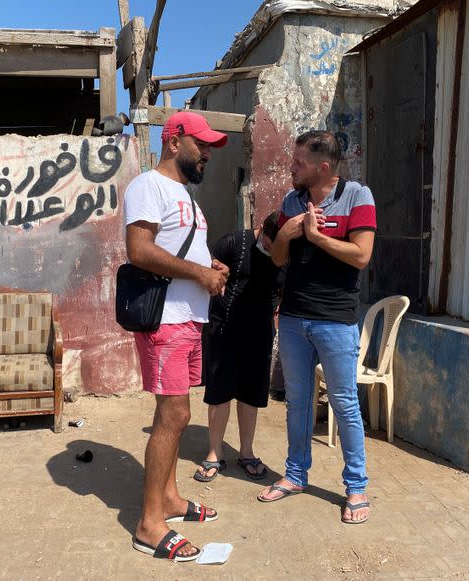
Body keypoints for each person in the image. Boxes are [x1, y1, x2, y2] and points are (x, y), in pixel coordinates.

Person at [123, 111, 230, 562]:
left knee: (178, 415)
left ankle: (169, 499)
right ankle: (150, 524)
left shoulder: (182, 194)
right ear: (174, 142)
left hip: (188, 317)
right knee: (173, 415)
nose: (207, 153)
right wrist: (199, 273)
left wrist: (212, 270)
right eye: (201, 145)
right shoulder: (148, 185)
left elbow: (182, 251)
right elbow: (140, 250)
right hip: (165, 318)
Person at [257, 130, 377, 526]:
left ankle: (356, 487)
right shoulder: (292, 201)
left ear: (323, 168)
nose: (291, 168)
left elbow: (360, 256)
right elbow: (275, 260)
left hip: (336, 321)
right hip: (293, 318)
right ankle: (295, 476)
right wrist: (288, 235)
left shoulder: (358, 196)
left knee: (344, 405)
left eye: (299, 163)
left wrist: (315, 236)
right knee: (297, 402)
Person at [193, 212, 284, 483]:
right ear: (261, 230)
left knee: (251, 394)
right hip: (225, 327)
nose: (271, 250)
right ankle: (214, 452)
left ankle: (246, 452)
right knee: (219, 392)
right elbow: (207, 267)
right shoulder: (235, 242)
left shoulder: (285, 252)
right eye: (268, 243)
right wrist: (216, 271)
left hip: (260, 330)